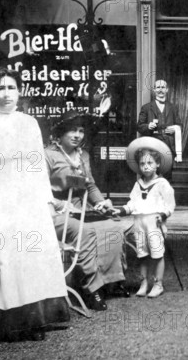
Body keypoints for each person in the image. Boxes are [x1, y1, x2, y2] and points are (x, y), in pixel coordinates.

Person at [0, 67, 68, 341]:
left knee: (38, 246)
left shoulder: (29, 122)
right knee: (11, 249)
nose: (7, 94)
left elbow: (38, 165)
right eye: (0, 88)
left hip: (28, 191)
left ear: (19, 92)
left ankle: (39, 318)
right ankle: (14, 320)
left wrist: (46, 199)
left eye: (11, 87)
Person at [45, 110, 130, 312]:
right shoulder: (47, 155)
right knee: (86, 232)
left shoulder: (83, 155)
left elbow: (90, 186)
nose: (77, 135)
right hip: (56, 212)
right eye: (72, 131)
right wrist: (61, 205)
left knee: (113, 226)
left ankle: (111, 281)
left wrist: (101, 204)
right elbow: (40, 191)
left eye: (81, 131)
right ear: (60, 133)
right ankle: (91, 288)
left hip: (83, 209)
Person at [112, 137, 176, 299]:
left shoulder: (162, 184)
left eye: (150, 163)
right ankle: (144, 282)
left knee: (157, 253)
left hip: (154, 222)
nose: (146, 167)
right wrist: (120, 210)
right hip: (139, 222)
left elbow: (170, 205)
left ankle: (158, 284)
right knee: (142, 253)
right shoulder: (138, 184)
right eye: (142, 164)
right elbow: (133, 203)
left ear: (158, 164)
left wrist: (163, 215)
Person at [137, 79, 183, 181]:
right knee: (150, 175)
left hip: (168, 146)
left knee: (167, 177)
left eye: (163, 87)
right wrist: (148, 126)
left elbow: (180, 125)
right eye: (158, 87)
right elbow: (139, 126)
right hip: (151, 146)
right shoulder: (146, 108)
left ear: (167, 90)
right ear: (154, 90)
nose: (160, 90)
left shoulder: (173, 107)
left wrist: (174, 130)